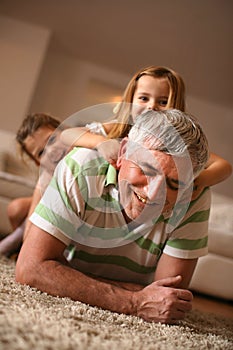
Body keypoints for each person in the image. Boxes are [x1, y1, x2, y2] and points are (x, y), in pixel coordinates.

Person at [16, 109, 210, 324]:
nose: (153, 194)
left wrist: (65, 275)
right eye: (146, 170)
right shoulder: (80, 165)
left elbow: (167, 299)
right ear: (123, 152)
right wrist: (134, 300)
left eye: (173, 184)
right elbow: (30, 268)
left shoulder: (193, 197)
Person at [61, 66, 232, 197]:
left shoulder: (179, 144)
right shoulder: (118, 129)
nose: (151, 106)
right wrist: (101, 142)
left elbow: (224, 166)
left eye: (163, 101)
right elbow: (66, 134)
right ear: (130, 100)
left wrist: (197, 181)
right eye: (144, 98)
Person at [0, 113, 69, 257]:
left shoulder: (83, 148)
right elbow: (32, 219)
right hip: (52, 208)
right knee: (16, 208)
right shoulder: (48, 173)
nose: (51, 151)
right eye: (41, 153)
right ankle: (18, 246)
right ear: (38, 163)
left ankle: (14, 243)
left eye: (52, 139)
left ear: (65, 131)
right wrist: (29, 246)